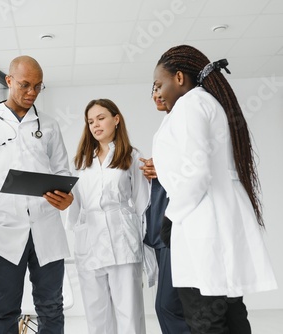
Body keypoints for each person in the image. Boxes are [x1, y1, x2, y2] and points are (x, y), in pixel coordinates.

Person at [151, 44, 277, 333]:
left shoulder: (191, 105)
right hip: (218, 222)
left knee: (205, 321)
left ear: (179, 78)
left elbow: (196, 171)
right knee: (231, 315)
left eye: (160, 84)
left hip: (202, 224)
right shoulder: (207, 103)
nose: (157, 92)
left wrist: (171, 215)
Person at [0, 55, 73, 333]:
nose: (32, 93)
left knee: (51, 307)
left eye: (38, 87)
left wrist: (67, 198)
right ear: (9, 80)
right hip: (3, 231)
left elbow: (62, 172)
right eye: (25, 85)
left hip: (46, 227)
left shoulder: (48, 125)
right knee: (3, 310)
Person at [66, 99, 150, 334]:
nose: (95, 125)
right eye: (90, 121)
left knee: (129, 315)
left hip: (123, 241)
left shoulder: (131, 156)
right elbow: (76, 207)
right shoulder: (81, 161)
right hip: (90, 242)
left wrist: (145, 241)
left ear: (116, 119)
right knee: (97, 316)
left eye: (101, 118)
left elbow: (143, 203)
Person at [140, 86, 191, 334]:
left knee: (168, 306)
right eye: (153, 89)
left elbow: (195, 166)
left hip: (175, 225)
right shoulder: (167, 123)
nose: (156, 94)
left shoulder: (186, 120)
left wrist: (162, 168)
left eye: (160, 86)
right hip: (161, 226)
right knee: (170, 305)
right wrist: (155, 169)